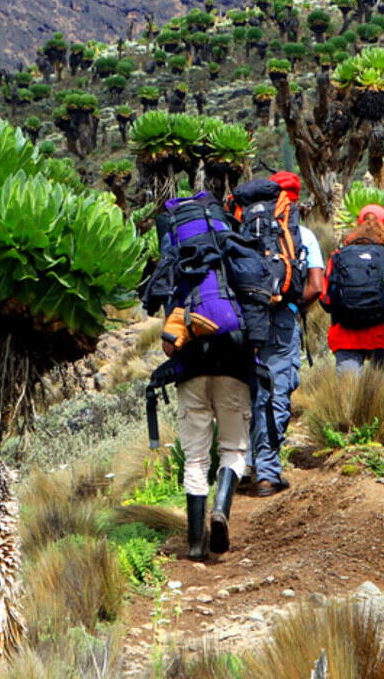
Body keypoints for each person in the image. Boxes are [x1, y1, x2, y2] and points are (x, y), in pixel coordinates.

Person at [146, 191, 261, 559]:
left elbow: (167, 334)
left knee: (195, 458)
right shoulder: (229, 257)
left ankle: (195, 544)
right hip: (234, 366)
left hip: (191, 370)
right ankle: (221, 510)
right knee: (234, 448)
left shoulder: (178, 264)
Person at [245, 171, 324, 497]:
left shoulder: (245, 228)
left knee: (251, 392)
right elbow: (316, 286)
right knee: (277, 390)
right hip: (281, 321)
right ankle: (266, 472)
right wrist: (291, 304)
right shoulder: (302, 235)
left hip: (248, 320)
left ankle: (244, 464)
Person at [323, 204, 384, 374]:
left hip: (346, 335)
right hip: (382, 336)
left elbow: (325, 299)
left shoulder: (339, 256)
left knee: (348, 388)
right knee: (379, 386)